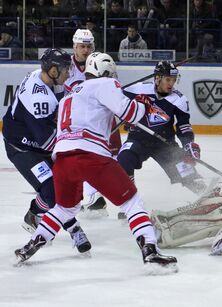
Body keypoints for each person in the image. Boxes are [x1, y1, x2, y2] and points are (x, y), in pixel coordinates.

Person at [14, 52, 178, 271]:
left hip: (63, 158)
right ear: (106, 72)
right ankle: (150, 251)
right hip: (91, 156)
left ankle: (30, 246)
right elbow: (131, 114)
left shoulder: (70, 95)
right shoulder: (106, 83)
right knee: (132, 202)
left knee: (64, 208)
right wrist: (143, 104)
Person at [3, 48, 91, 253]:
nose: (69, 74)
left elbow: (59, 108)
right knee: (52, 188)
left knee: (66, 185)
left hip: (35, 139)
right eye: (65, 70)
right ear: (52, 71)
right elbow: (48, 142)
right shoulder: (39, 99)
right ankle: (37, 215)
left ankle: (62, 223)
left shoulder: (44, 77)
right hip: (22, 148)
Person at [117, 61, 206, 220]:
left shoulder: (179, 99)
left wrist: (188, 145)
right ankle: (130, 201)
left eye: (173, 80)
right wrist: (129, 113)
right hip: (139, 139)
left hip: (165, 144)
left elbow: (183, 125)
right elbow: (114, 97)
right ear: (157, 78)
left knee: (187, 173)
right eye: (168, 80)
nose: (171, 84)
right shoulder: (138, 89)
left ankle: (210, 199)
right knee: (124, 158)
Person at [65, 29, 121, 217]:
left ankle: (122, 198)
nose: (86, 50)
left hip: (102, 119)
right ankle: (87, 197)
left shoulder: (101, 62)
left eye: (89, 46)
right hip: (76, 122)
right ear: (74, 47)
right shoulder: (66, 66)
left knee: (116, 157)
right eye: (82, 46)